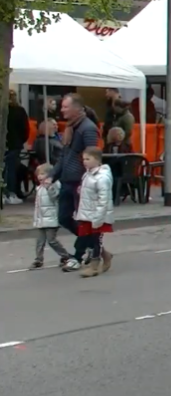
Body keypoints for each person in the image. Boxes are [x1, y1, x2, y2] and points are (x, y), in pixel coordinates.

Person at [50, 94, 99, 271]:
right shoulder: (70, 128)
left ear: (77, 108)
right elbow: (65, 156)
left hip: (81, 181)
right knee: (64, 217)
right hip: (67, 180)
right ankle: (94, 245)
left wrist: (89, 179)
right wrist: (52, 175)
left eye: (65, 107)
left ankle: (77, 256)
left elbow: (93, 155)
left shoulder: (88, 129)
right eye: (62, 106)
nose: (61, 110)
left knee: (83, 219)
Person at [72, 147, 113, 277]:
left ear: (97, 160)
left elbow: (103, 200)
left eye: (88, 159)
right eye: (83, 159)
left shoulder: (102, 178)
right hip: (86, 213)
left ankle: (94, 266)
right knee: (88, 238)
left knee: (96, 240)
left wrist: (98, 219)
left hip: (97, 215)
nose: (84, 162)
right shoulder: (87, 174)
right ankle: (106, 256)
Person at [30, 164, 71, 269]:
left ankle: (66, 256)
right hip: (41, 219)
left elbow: (55, 198)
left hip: (52, 218)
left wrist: (49, 187)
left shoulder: (54, 184)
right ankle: (38, 259)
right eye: (38, 174)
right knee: (40, 241)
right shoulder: (39, 188)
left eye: (42, 174)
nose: (40, 176)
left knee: (51, 240)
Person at [6, 89, 30, 204]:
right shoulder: (19, 111)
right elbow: (25, 129)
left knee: (5, 169)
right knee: (11, 169)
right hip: (14, 144)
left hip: (5, 143)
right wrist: (20, 141)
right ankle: (10, 192)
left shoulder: (3, 110)